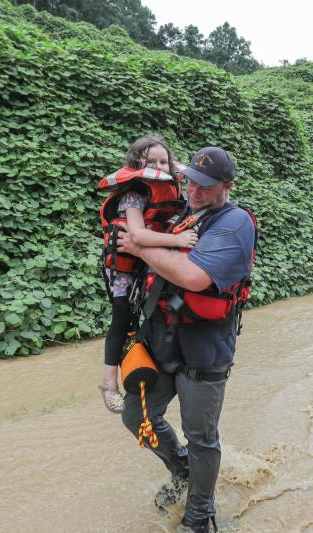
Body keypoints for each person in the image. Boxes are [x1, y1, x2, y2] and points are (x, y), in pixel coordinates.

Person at [117, 146, 256, 533]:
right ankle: (181, 469)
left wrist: (139, 246)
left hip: (204, 349)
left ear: (226, 187)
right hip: (161, 340)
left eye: (206, 186)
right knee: (137, 416)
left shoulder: (235, 221)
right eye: (191, 180)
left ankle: (199, 513)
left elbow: (193, 277)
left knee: (202, 438)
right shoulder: (180, 213)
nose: (194, 189)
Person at [97, 135, 197, 413]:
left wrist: (171, 164)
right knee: (121, 318)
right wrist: (177, 241)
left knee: (151, 313)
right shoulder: (134, 194)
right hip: (123, 265)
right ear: (136, 163)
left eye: (162, 161)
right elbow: (138, 234)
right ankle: (109, 384)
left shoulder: (170, 184)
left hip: (147, 263)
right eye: (150, 161)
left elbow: (183, 169)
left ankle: (146, 366)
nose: (158, 166)